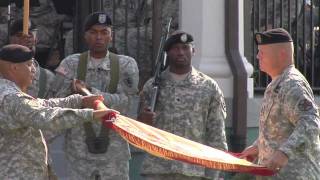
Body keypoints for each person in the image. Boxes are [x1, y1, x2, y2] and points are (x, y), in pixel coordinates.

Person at [0, 44, 118, 179]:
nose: (33, 70)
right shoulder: (12, 98)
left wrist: (79, 101)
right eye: (29, 65)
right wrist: (91, 114)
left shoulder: (6, 93)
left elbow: (42, 105)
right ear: (14, 67)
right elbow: (46, 117)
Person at [54, 12, 139, 180]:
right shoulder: (70, 63)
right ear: (85, 35)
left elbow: (127, 103)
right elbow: (57, 105)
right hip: (79, 152)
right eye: (93, 32)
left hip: (114, 153)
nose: (99, 37)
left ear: (111, 36)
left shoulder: (126, 64)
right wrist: (74, 95)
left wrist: (91, 91)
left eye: (104, 32)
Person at [138, 30, 228, 180]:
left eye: (185, 47)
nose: (180, 52)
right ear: (167, 52)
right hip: (158, 170)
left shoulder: (208, 87)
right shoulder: (152, 86)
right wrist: (143, 121)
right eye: (175, 48)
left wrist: (214, 174)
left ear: (193, 51)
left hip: (194, 170)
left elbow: (217, 134)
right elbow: (138, 130)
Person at [240, 28, 320, 179]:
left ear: (281, 54)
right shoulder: (276, 84)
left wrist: (284, 152)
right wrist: (258, 146)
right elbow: (280, 128)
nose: (257, 56)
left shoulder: (292, 84)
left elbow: (310, 123)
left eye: (262, 52)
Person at [8, 19, 55, 99]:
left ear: (36, 40)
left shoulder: (47, 78)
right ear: (10, 39)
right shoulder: (3, 72)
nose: (25, 39)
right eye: (19, 35)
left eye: (30, 36)